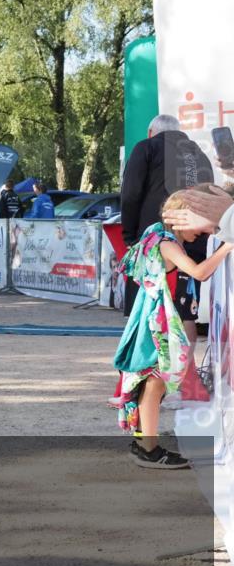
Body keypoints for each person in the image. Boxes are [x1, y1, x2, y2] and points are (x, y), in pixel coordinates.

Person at [110, 186, 233, 469]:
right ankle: (148, 449)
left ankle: (145, 443)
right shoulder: (169, 244)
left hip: (149, 316)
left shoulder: (155, 234)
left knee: (151, 383)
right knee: (154, 383)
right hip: (156, 321)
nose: (202, 233)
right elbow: (200, 272)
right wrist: (227, 246)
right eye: (200, 225)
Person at [121, 114, 214, 315]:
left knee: (150, 311)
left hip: (156, 240)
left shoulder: (146, 147)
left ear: (150, 133)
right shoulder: (199, 154)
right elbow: (209, 196)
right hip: (194, 239)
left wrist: (129, 236)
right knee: (185, 311)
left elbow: (130, 194)